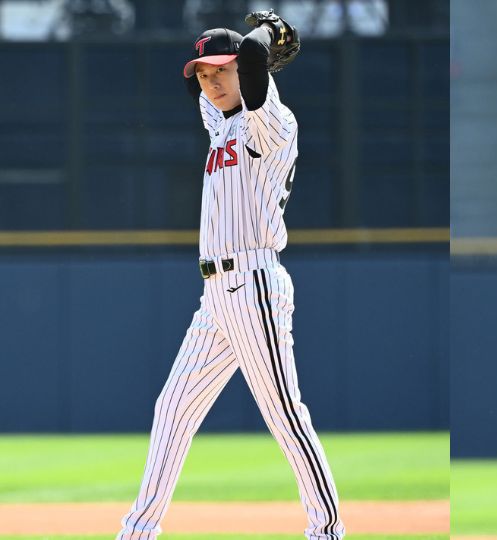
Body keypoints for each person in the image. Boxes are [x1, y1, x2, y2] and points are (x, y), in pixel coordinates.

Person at [117, 14, 344, 540]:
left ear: (244, 70)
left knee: (284, 417)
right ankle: (137, 532)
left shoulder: (273, 124)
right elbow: (232, 81)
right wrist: (246, 58)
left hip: (255, 284)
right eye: (202, 74)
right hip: (214, 296)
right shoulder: (220, 123)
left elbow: (254, 63)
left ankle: (327, 531)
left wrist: (261, 40)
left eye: (221, 70)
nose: (212, 81)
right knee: (172, 409)